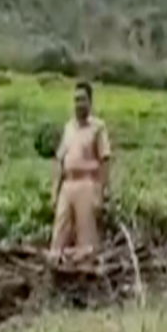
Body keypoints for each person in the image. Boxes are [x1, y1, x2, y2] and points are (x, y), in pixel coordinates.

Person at [51, 81, 112, 259]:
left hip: (87, 183)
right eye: (76, 100)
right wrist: (55, 190)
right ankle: (56, 270)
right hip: (68, 184)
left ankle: (86, 273)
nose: (79, 104)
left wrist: (101, 193)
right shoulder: (69, 128)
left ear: (90, 102)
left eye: (82, 100)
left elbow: (105, 160)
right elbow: (60, 160)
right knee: (60, 232)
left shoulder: (98, 128)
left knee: (86, 236)